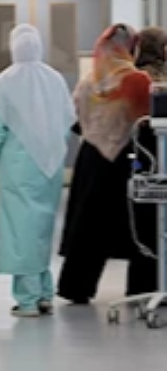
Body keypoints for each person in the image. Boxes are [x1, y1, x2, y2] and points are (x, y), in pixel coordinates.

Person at [0, 24, 75, 317]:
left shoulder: (5, 81)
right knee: (42, 228)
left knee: (21, 230)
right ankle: (45, 292)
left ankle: (28, 299)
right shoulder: (55, 78)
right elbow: (68, 120)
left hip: (18, 165)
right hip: (51, 164)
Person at [58, 24, 151, 305]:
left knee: (88, 225)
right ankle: (141, 287)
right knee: (138, 225)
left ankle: (76, 287)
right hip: (127, 159)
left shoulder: (89, 81)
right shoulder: (138, 80)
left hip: (91, 160)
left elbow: (73, 118)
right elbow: (146, 121)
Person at [126, 27, 167, 296]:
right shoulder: (147, 79)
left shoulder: (131, 77)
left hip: (142, 156)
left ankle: (143, 286)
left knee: (145, 222)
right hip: (157, 153)